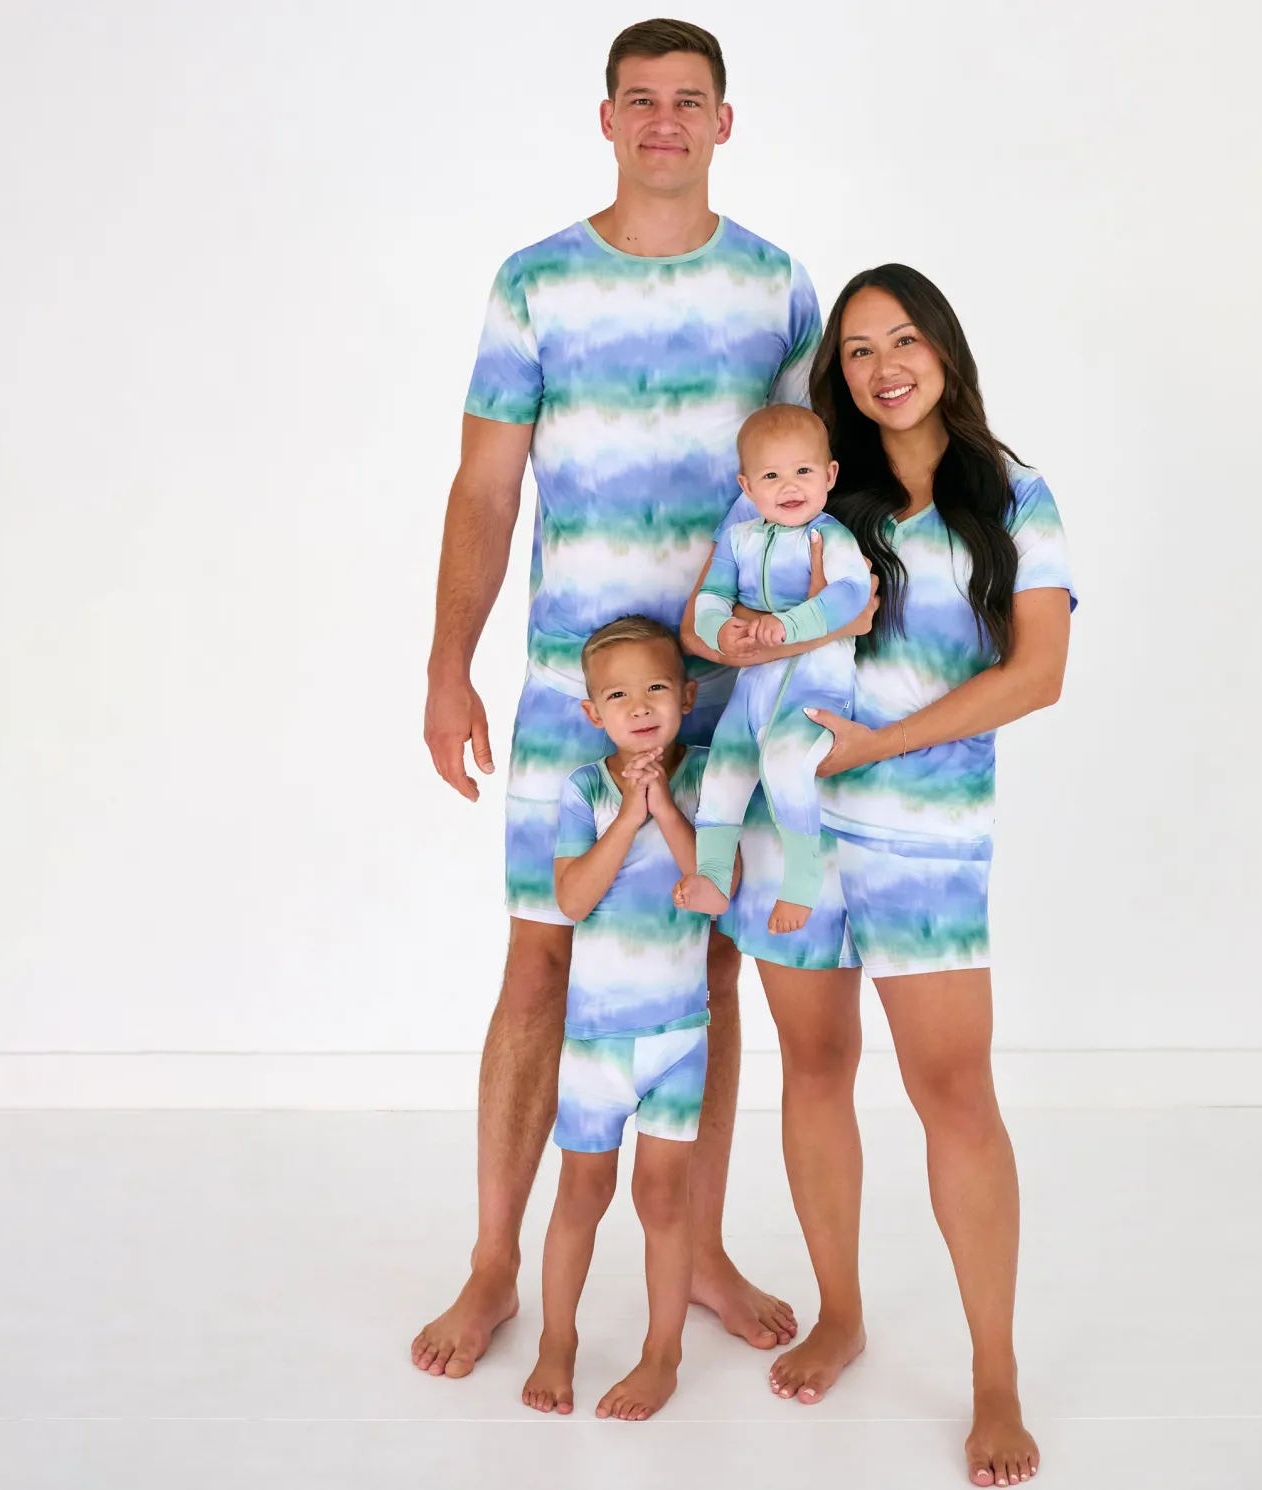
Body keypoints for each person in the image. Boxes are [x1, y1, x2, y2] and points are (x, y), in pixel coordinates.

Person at [413, 17, 869, 1377]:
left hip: (733, 689)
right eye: (639, 98)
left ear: (723, 122)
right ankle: (494, 1262)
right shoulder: (535, 283)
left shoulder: (777, 288)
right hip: (575, 679)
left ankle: (699, 1246)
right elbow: (484, 485)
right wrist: (446, 662)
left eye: (687, 99)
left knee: (702, 961)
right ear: (605, 118)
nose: (663, 119)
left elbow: (813, 483)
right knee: (538, 956)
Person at [683, 264, 1076, 1487]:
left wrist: (877, 744)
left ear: (942, 349)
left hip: (924, 837)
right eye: (856, 350)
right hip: (791, 831)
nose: (881, 366)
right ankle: (840, 1311)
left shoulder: (1011, 494)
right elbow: (715, 611)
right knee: (813, 1065)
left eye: (901, 339)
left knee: (952, 1090)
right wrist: (729, 633)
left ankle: (994, 1373)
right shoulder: (808, 488)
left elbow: (1036, 673)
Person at [521, 618, 713, 1421]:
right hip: (597, 1044)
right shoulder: (585, 790)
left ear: (687, 697)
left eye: (657, 688)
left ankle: (663, 1353)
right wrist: (628, 816)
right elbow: (571, 899)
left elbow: (716, 884)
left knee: (665, 1201)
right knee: (581, 1192)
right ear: (593, 712)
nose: (640, 706)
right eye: (619, 695)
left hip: (679, 1038)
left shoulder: (706, 777)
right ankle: (556, 1340)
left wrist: (663, 806)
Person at [676, 404, 870, 934]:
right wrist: (721, 629)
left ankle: (802, 882)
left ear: (829, 475)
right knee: (722, 771)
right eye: (770, 476)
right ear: (747, 486)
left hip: (815, 687)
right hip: (752, 689)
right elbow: (711, 596)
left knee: (786, 765)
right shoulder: (739, 539)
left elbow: (851, 594)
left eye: (804, 470)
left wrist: (789, 624)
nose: (789, 486)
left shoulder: (831, 537)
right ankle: (714, 876)